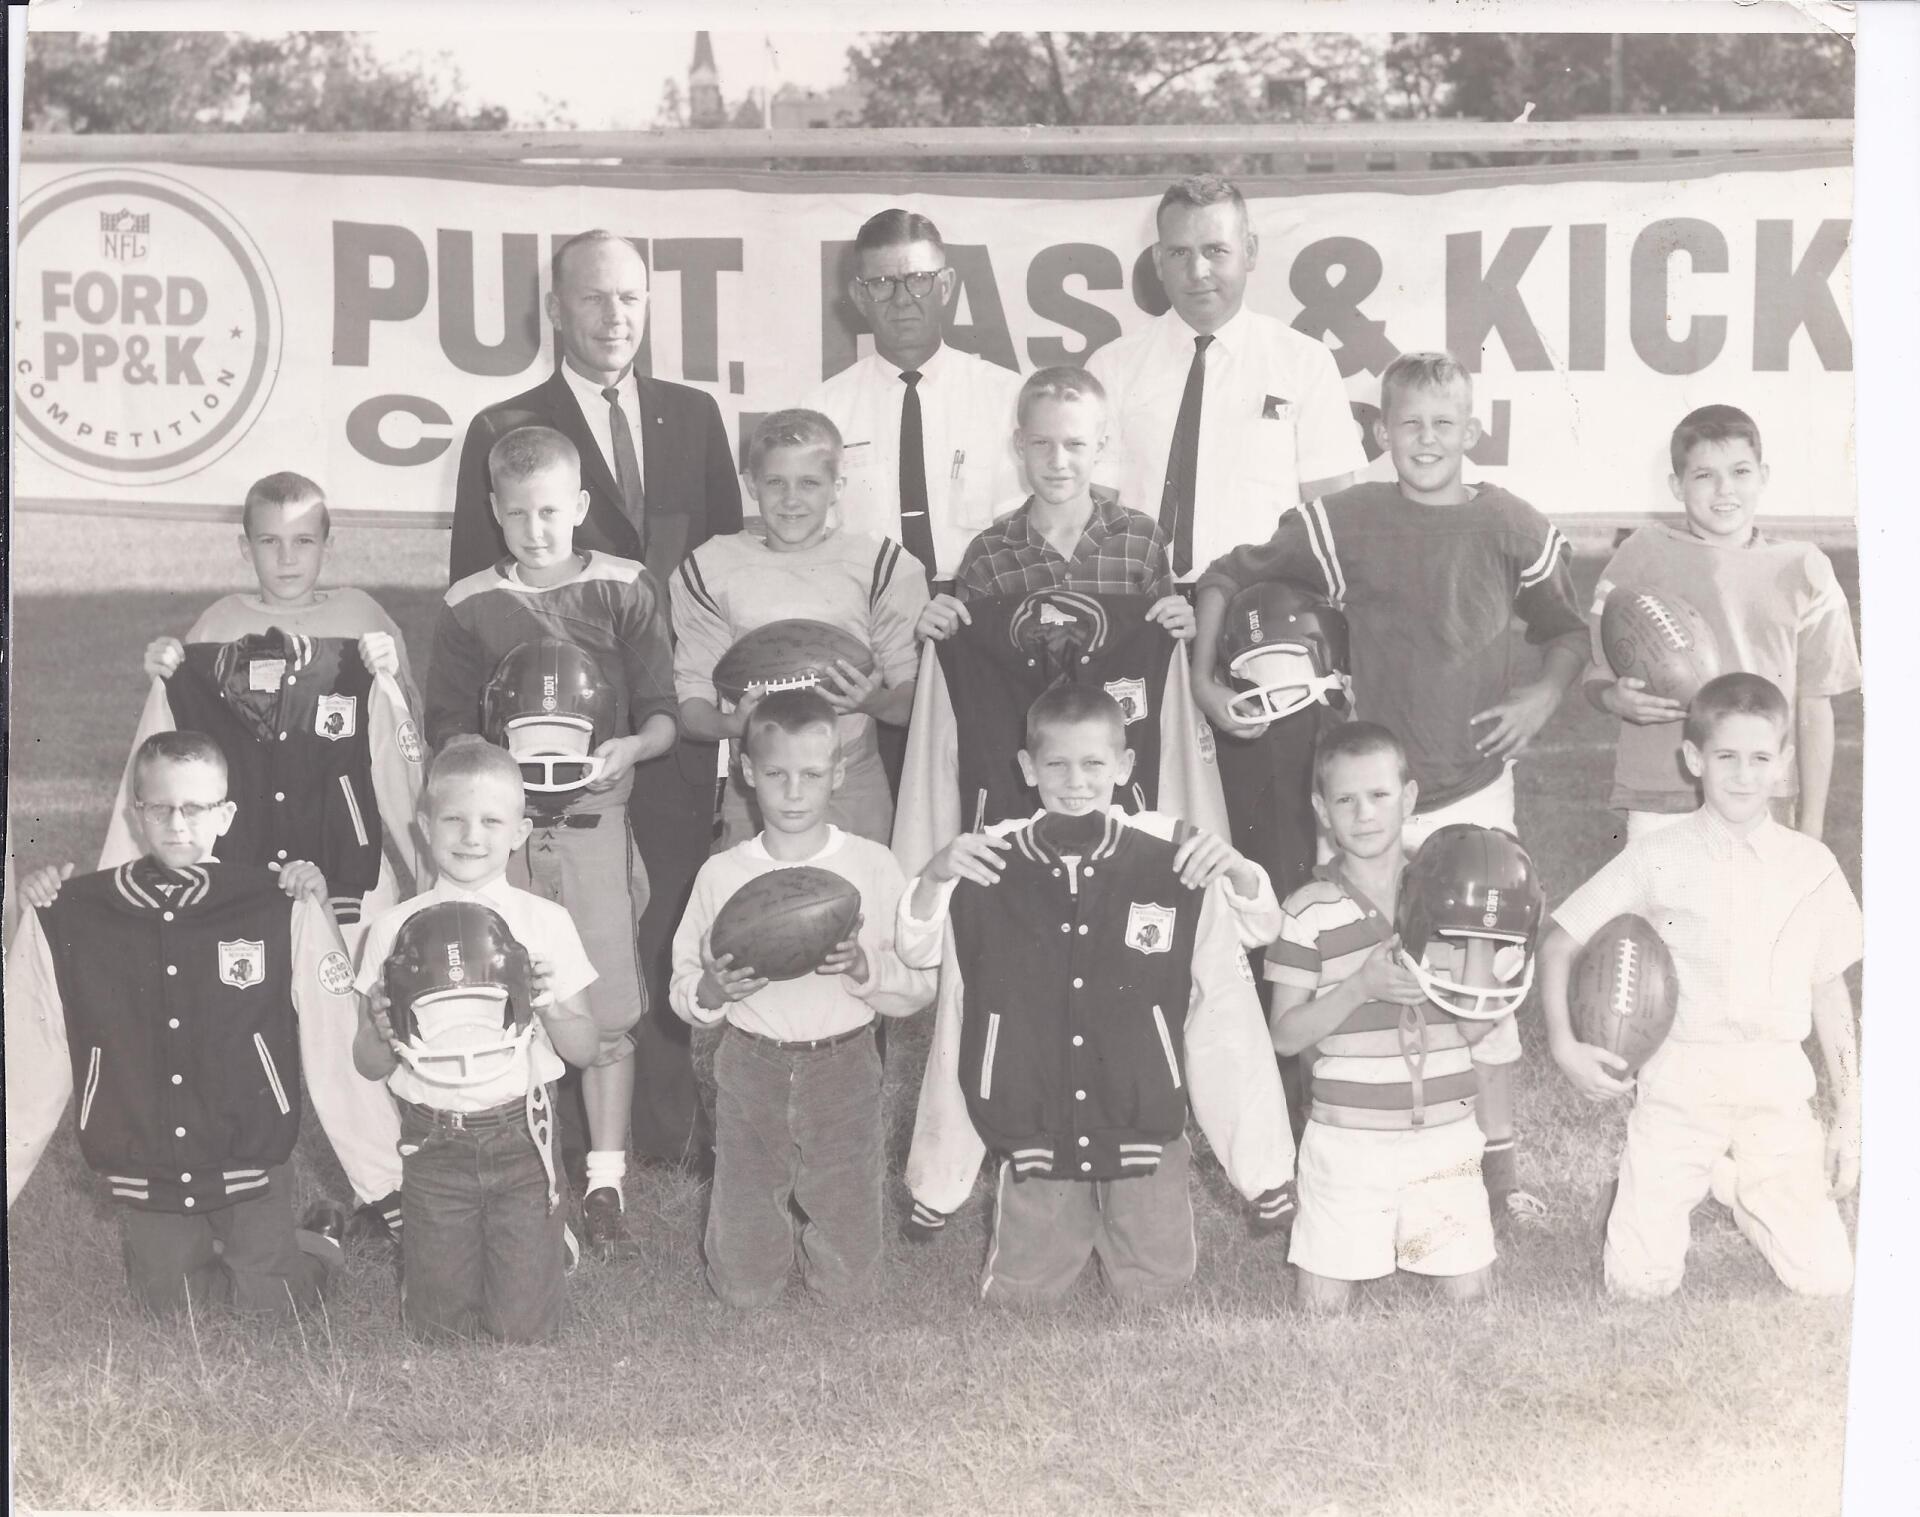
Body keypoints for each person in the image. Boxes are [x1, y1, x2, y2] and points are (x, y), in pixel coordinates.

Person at [1193, 350, 1588, 1223]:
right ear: (1381, 431)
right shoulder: (1351, 519)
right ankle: (1322, 1143)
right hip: (1371, 795)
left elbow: (1569, 627)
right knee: (1346, 971)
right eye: (1408, 423)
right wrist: (1204, 682)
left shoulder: (1511, 524)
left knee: (1482, 976)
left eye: (1445, 423)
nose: (1426, 439)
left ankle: (1497, 1167)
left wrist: (1543, 692)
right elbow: (1228, 570)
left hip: (1474, 783)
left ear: (1474, 430)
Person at [449, 228, 744, 1175]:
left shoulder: (692, 416)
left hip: (663, 724)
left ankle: (658, 1128)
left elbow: (720, 571)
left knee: (651, 920)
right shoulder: (505, 428)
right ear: (557, 309)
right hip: (548, 753)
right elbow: (476, 586)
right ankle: (547, 1131)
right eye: (593, 299)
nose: (614, 316)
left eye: (630, 298)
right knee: (542, 926)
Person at [896, 684, 1295, 1302]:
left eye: (1093, 764)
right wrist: (934, 876)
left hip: (1142, 1101)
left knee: (1157, 1288)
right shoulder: (991, 855)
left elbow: (1252, 938)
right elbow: (922, 953)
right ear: (1028, 769)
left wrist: (1239, 870)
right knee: (1022, 1293)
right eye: (1055, 764)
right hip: (1036, 1106)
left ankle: (1145, 1270)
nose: (1074, 781)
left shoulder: (1172, 848)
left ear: (1125, 766)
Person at [5, 732, 371, 1316]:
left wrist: (381, 1179)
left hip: (247, 1144)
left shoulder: (272, 903)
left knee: (267, 1310)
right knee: (173, 1312)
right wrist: (43, 908)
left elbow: (336, 1031)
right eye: (160, 807)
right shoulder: (77, 915)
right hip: (147, 1153)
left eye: (195, 808)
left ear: (224, 815)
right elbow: (28, 1056)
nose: (178, 823)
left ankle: (316, 1243)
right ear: (136, 813)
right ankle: (219, 1255)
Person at [427, 425, 679, 1260]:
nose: (537, 530)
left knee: (603, 1010)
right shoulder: (469, 603)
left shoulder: (625, 587)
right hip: (501, 844)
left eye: (551, 512)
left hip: (595, 828)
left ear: (579, 505)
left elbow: (661, 712)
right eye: (518, 515)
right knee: (506, 1000)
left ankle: (605, 1177)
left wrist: (631, 748)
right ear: (495, 514)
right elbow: (448, 734)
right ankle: (529, 1168)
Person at [1088, 172, 1366, 908]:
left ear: (1250, 251)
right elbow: (1096, 515)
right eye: (1179, 254)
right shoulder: (1115, 368)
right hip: (1142, 617)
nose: (1199, 270)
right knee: (1150, 826)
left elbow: (1333, 522)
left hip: (1263, 624)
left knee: (1270, 835)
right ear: (1157, 262)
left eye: (1216, 249)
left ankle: (1276, 1016)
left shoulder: (1302, 362)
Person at [1537, 674, 1860, 1300]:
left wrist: (1849, 1112)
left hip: (1774, 1084)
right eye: (1726, 757)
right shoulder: (1660, 854)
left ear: (1785, 764)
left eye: (1760, 758)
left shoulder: (1810, 866)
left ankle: (1739, 1187)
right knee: (1638, 1285)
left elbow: (1829, 990)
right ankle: (1690, 1172)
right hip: (1681, 1081)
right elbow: (1559, 942)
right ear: (1694, 760)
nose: (1743, 775)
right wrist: (1563, 1045)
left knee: (1826, 1280)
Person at [670, 690, 934, 1307]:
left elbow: (919, 983)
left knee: (845, 1193)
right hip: (751, 1058)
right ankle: (746, 1277)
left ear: (838, 773)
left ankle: (841, 1278)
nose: (793, 792)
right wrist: (711, 991)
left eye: (812, 775)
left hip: (843, 1060)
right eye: (776, 774)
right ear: (745, 772)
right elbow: (683, 985)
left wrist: (869, 969)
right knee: (745, 1191)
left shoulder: (872, 864)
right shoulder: (721, 873)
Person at [351, 738, 602, 1340]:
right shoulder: (391, 930)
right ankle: (458, 1256)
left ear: (519, 830)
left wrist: (548, 1001)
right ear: (424, 826)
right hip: (433, 1138)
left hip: (521, 1134)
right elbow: (365, 1062)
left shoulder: (545, 923)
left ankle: (545, 1231)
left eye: (491, 821)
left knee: (523, 1332)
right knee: (438, 1328)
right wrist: (383, 1032)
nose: (471, 836)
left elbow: (586, 1048)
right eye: (454, 819)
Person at [1266, 722, 1499, 1311]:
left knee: (1471, 1302)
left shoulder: (1453, 894)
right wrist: (1358, 987)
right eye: (1345, 800)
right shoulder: (1305, 911)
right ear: (1322, 810)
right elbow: (1285, 1037)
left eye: (1379, 795)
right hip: (1347, 1137)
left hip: (1444, 1134)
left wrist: (1480, 953)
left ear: (1410, 797)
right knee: (1321, 1310)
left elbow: (1473, 1029)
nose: (1364, 813)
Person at [1583, 404, 1860, 842]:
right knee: (1666, 911)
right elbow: (1596, 674)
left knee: (1756, 913)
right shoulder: (1642, 554)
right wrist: (1613, 699)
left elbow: (1814, 704)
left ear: (1763, 476)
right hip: (1664, 791)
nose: (1724, 489)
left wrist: (1812, 824)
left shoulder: (1805, 569)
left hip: (1762, 793)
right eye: (1704, 475)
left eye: (1740, 472)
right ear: (1676, 486)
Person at [673, 409, 928, 847]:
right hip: (756, 783)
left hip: (851, 777)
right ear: (751, 485)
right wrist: (733, 725)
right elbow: (692, 708)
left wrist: (874, 701)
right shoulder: (711, 567)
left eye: (809, 483)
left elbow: (917, 706)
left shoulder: (881, 565)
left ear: (837, 488)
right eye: (775, 482)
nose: (791, 499)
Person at [807, 208, 1025, 585]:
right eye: (881, 283)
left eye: (918, 279)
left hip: (982, 603)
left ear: (946, 285)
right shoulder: (823, 411)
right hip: (868, 611)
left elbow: (1022, 539)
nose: (902, 299)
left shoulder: (1008, 397)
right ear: (859, 296)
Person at [915, 365, 1191, 640]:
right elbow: (972, 663)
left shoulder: (1141, 539)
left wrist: (1180, 629)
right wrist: (942, 634)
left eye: (1075, 444)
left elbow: (1164, 652)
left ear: (1101, 447)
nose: (1058, 462)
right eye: (1042, 443)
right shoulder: (987, 554)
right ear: (1020, 444)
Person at [139, 471, 417, 708]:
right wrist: (166, 677)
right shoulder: (219, 624)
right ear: (246, 548)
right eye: (270, 541)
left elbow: (410, 731)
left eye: (303, 541)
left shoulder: (361, 616)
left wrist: (394, 676)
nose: (287, 558)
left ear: (327, 547)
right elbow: (185, 737)